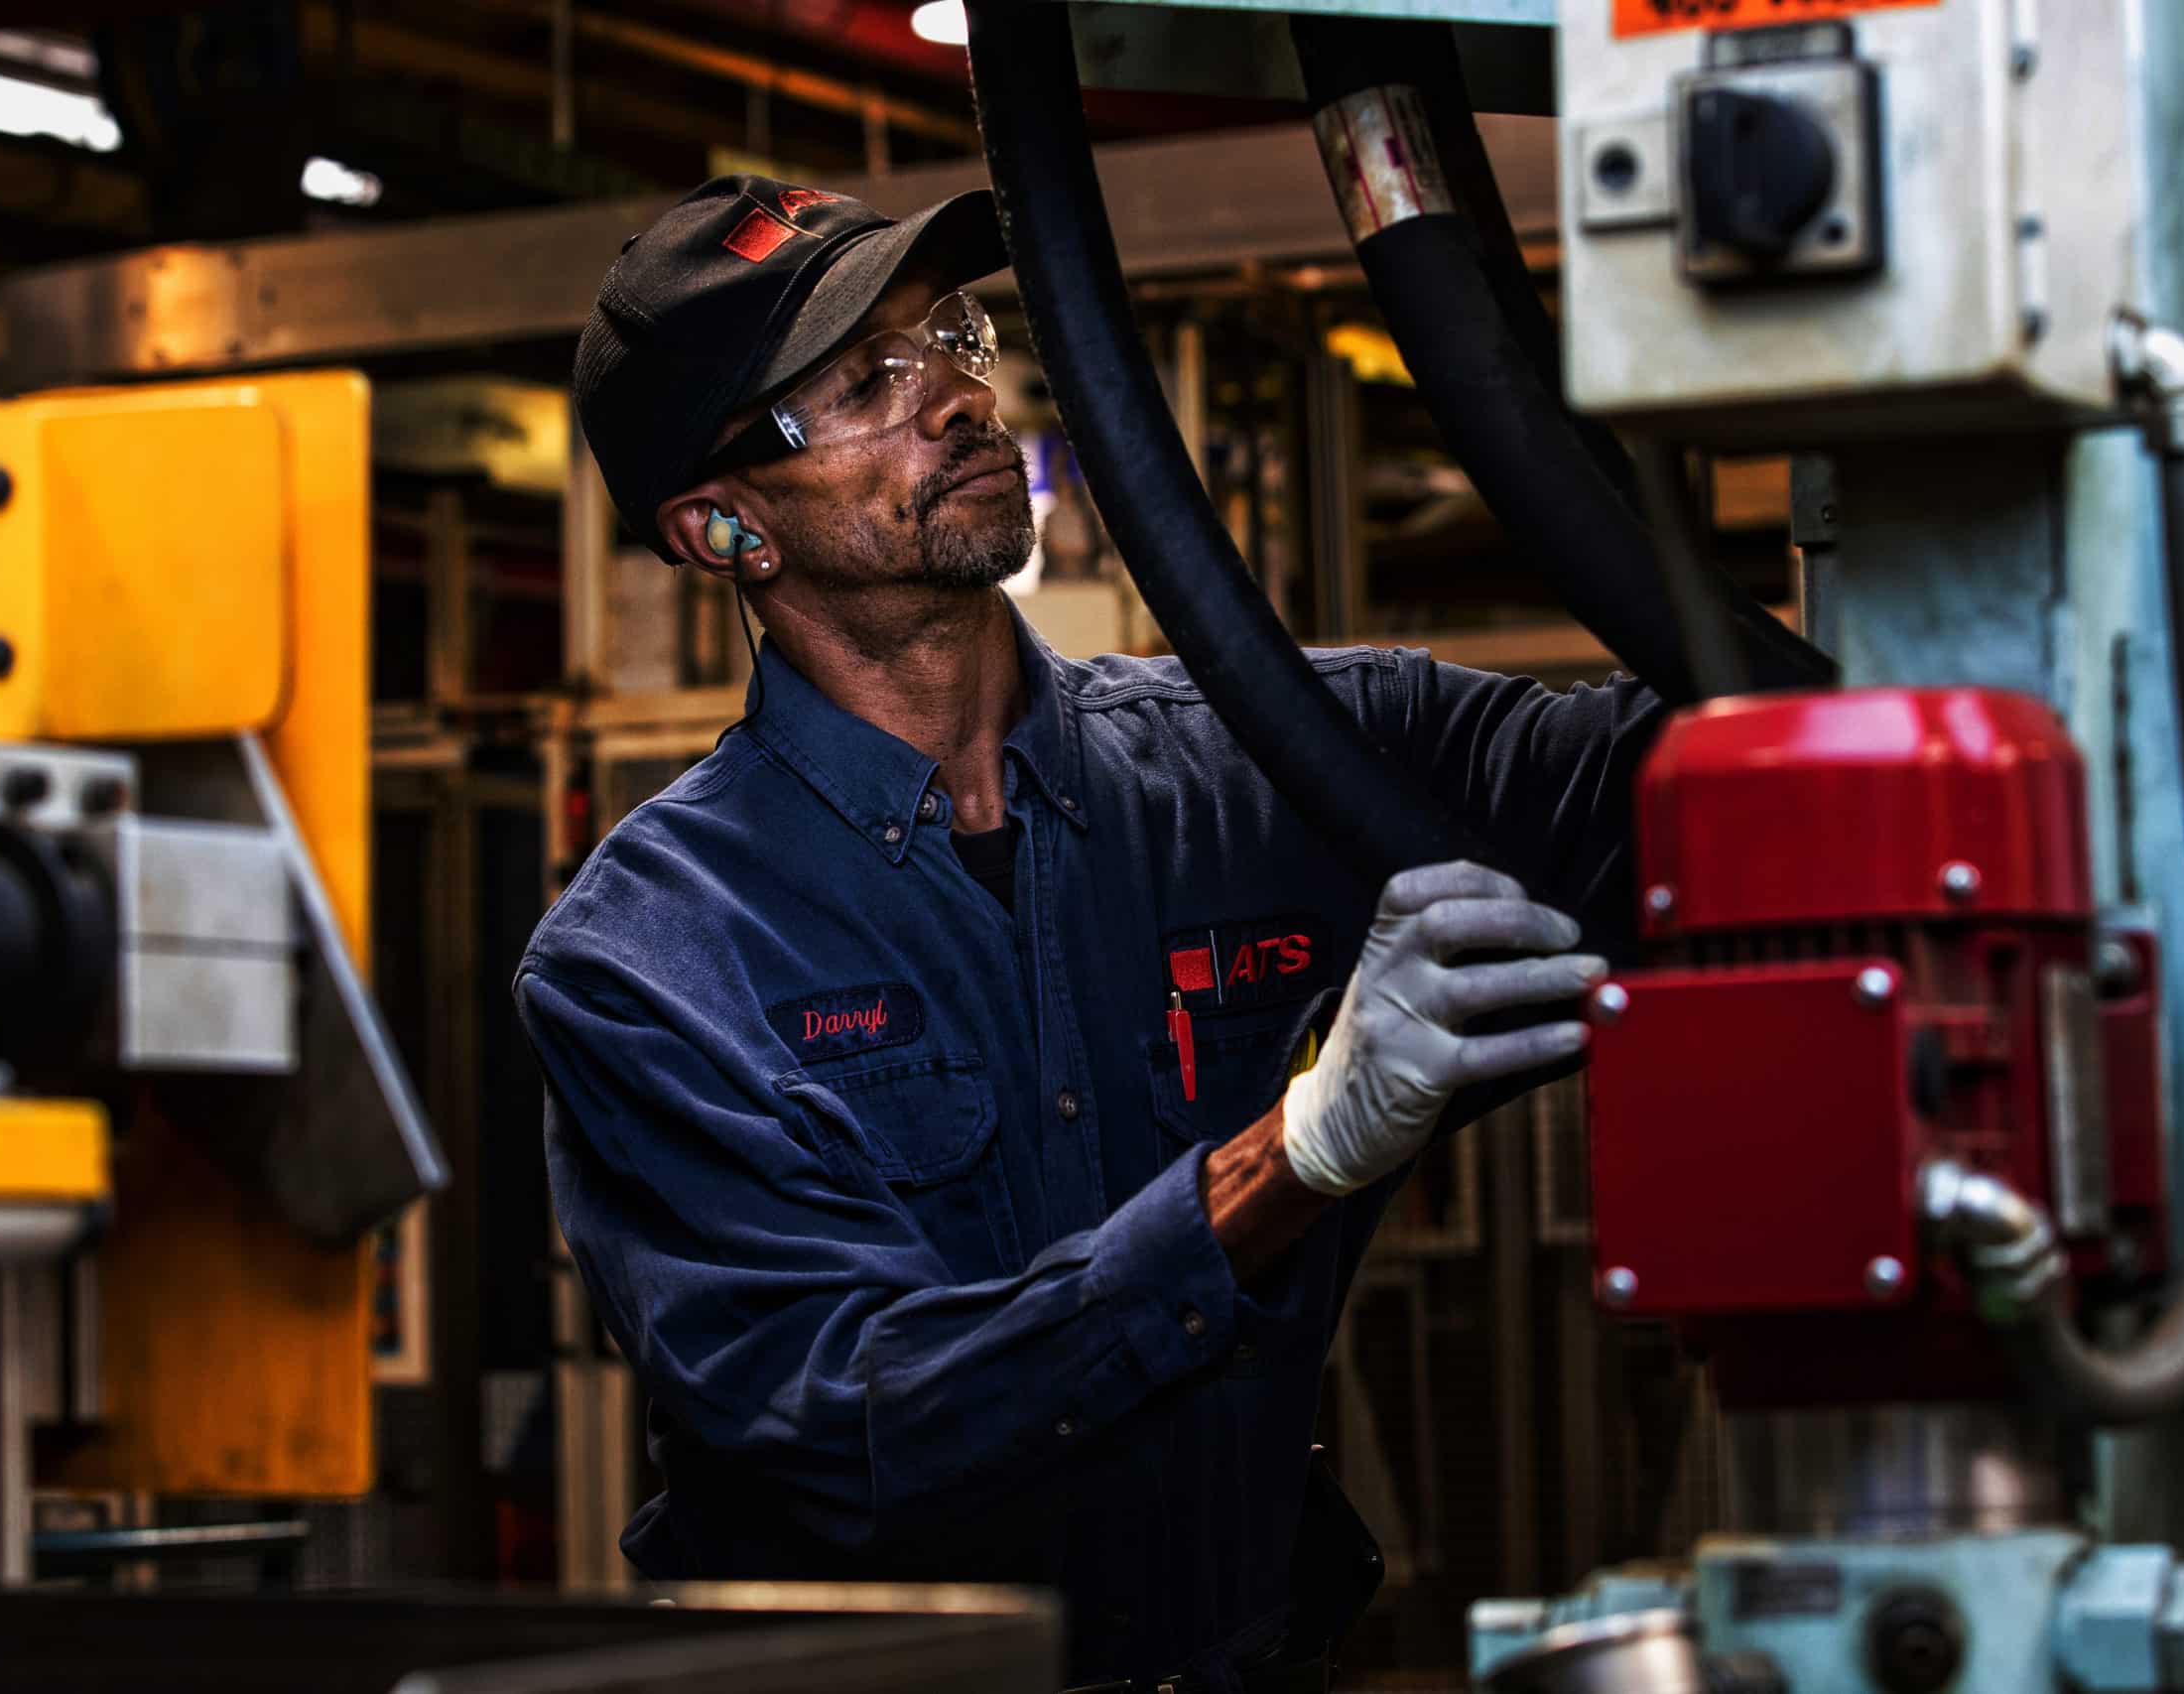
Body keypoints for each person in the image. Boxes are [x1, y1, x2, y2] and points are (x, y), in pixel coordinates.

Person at [515, 175, 1661, 1694]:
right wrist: (1288, 1159)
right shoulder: (650, 962)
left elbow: (1692, 777)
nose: (957, 397)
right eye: (866, 383)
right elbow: (855, 1418)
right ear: (724, 525)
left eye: (951, 341)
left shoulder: (1276, 755)